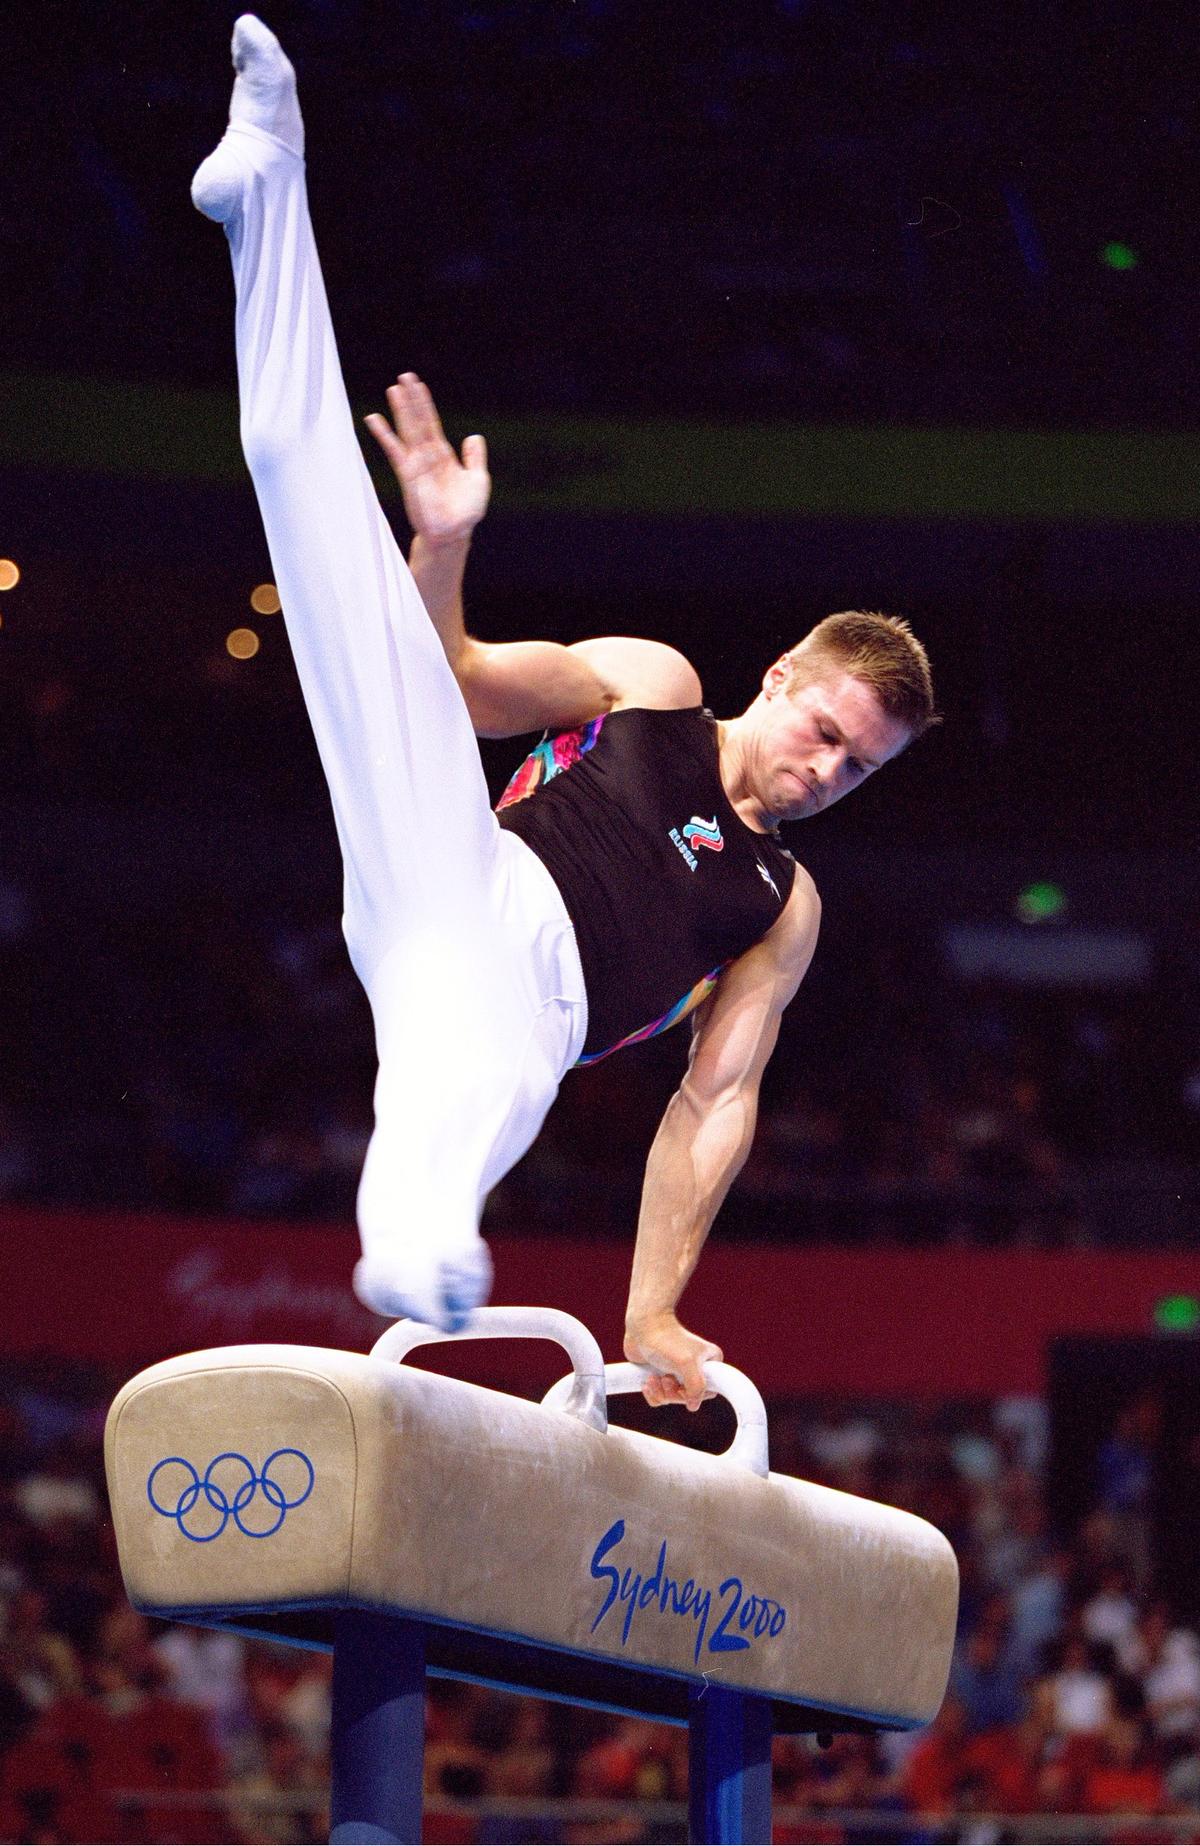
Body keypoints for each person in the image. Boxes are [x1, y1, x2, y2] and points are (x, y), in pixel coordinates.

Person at [191, 17, 937, 1411]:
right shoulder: (650, 684)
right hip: (456, 871)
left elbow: (712, 1101)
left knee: (456, 1137)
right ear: (778, 673)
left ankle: (415, 1247)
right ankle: (265, 182)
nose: (833, 770)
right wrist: (441, 545)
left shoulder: (783, 902)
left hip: (527, 1006)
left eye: (863, 764)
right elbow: (452, 684)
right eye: (828, 728)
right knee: (313, 519)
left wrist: (652, 1307)